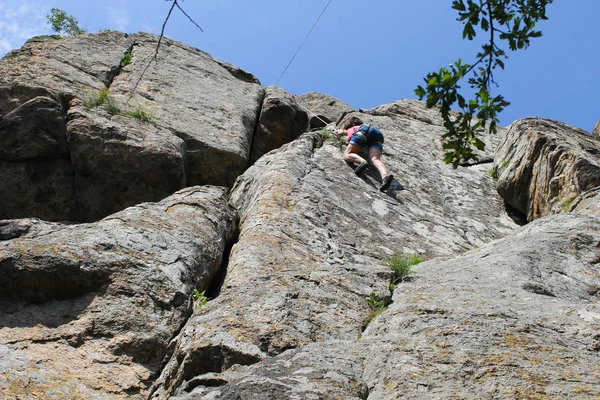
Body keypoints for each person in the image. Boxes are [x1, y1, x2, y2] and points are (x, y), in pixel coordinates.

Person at [335, 116, 394, 191]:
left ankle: (362, 162)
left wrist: (339, 132)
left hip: (363, 132)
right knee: (375, 159)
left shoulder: (352, 128)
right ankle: (385, 176)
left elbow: (348, 135)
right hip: (378, 136)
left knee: (347, 154)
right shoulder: (362, 125)